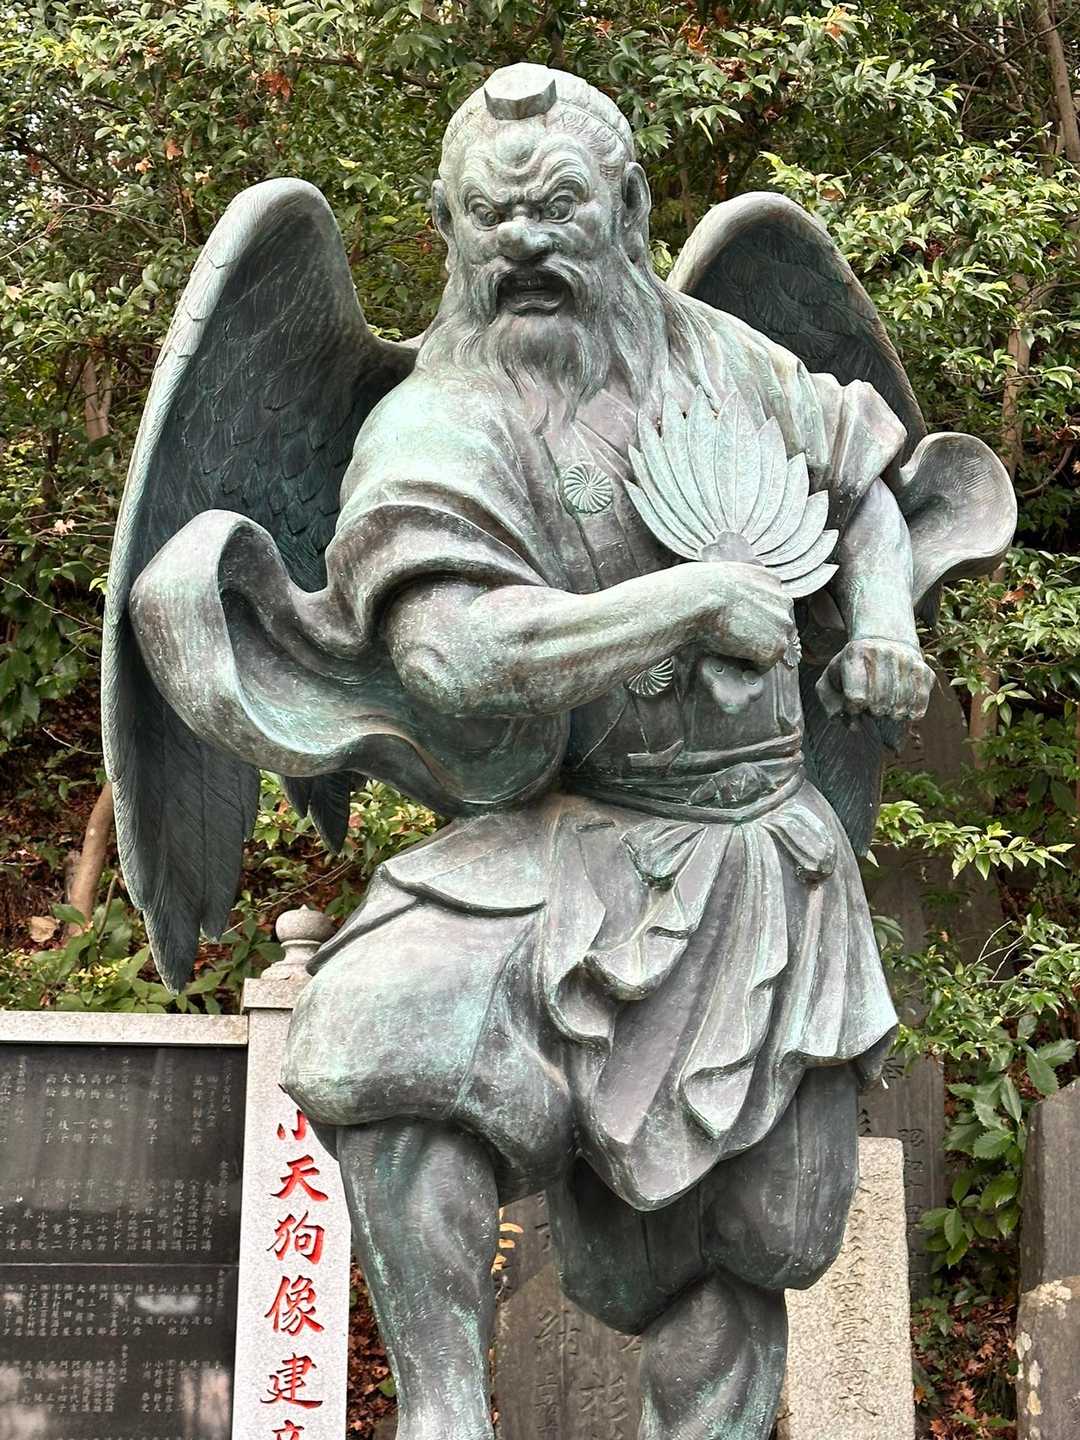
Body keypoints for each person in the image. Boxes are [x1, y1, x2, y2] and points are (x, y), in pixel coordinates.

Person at [268, 65, 935, 1440]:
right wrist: (684, 603)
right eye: (491, 216)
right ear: (445, 229)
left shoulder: (731, 361)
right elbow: (455, 655)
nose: (526, 243)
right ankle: (445, 1414)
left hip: (762, 850)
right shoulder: (435, 423)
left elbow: (866, 494)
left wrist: (879, 624)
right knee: (379, 1024)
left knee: (742, 1239)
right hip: (570, 829)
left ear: (628, 208)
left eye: (559, 207)